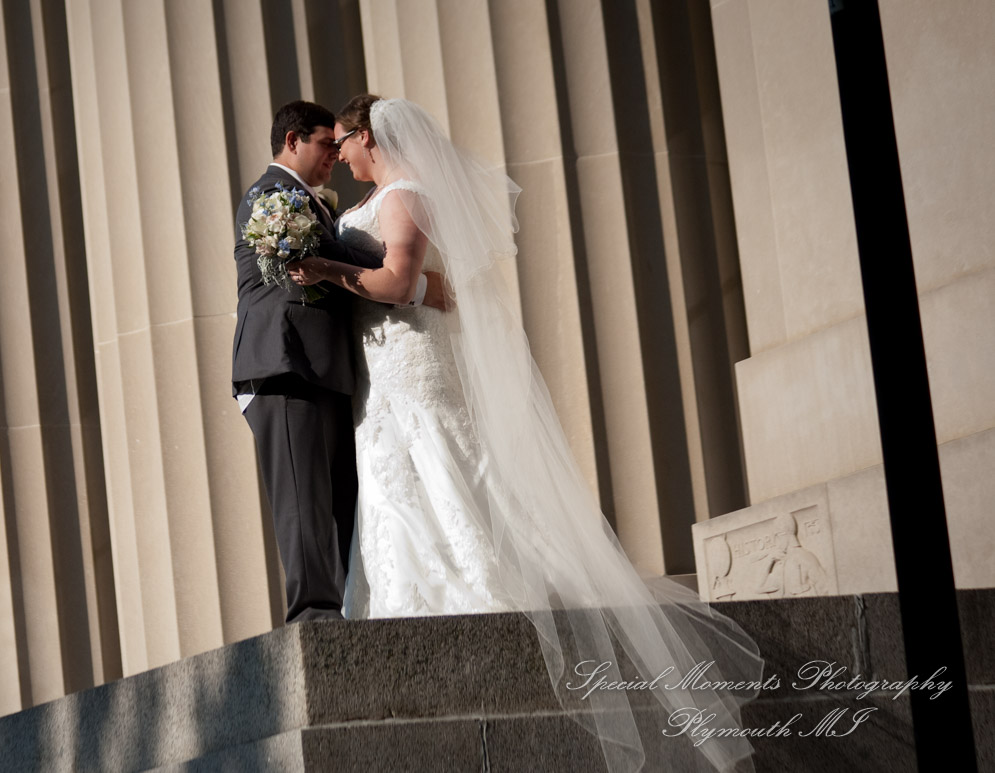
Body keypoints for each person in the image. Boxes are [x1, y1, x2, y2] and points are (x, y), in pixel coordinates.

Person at [286, 95, 765, 773]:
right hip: (381, 371)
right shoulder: (372, 200)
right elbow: (441, 291)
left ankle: (481, 601)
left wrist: (328, 270)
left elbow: (398, 281)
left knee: (439, 461)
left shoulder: (405, 195)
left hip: (412, 368)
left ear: (369, 137)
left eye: (344, 141)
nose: (338, 153)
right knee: (394, 483)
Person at [231, 100, 445, 624]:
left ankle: (347, 611)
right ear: (292, 142)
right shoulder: (272, 198)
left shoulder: (313, 202)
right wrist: (415, 284)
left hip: (324, 369)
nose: (334, 154)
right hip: (284, 365)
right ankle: (314, 619)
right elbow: (348, 265)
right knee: (303, 502)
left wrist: (411, 279)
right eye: (325, 144)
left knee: (339, 503)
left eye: (337, 143)